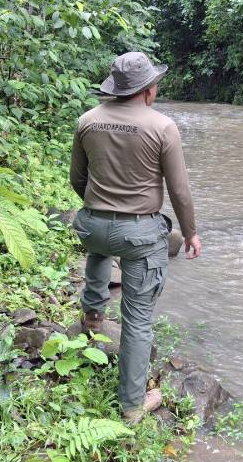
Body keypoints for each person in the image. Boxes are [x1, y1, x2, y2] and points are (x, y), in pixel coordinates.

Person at [69, 52, 202, 425]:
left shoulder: (87, 121)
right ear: (147, 90)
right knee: (138, 320)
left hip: (93, 225)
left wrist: (100, 209)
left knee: (100, 246)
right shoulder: (163, 127)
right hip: (140, 234)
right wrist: (190, 233)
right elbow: (179, 190)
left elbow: (77, 179)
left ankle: (93, 314)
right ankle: (132, 406)